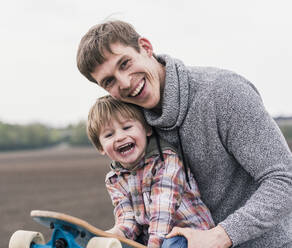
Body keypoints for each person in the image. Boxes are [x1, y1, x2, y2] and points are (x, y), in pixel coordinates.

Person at [77, 20, 292, 248]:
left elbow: (285, 180)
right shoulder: (132, 121)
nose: (125, 82)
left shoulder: (224, 93)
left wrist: (221, 235)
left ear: (146, 47)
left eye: (125, 63)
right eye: (109, 81)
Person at [87, 95, 215, 248]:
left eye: (127, 127)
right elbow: (128, 219)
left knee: (171, 243)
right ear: (100, 147)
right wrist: (114, 236)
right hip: (155, 240)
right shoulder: (114, 179)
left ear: (147, 129)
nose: (120, 137)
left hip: (190, 235)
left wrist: (153, 245)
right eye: (109, 135)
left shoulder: (166, 161)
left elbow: (163, 213)